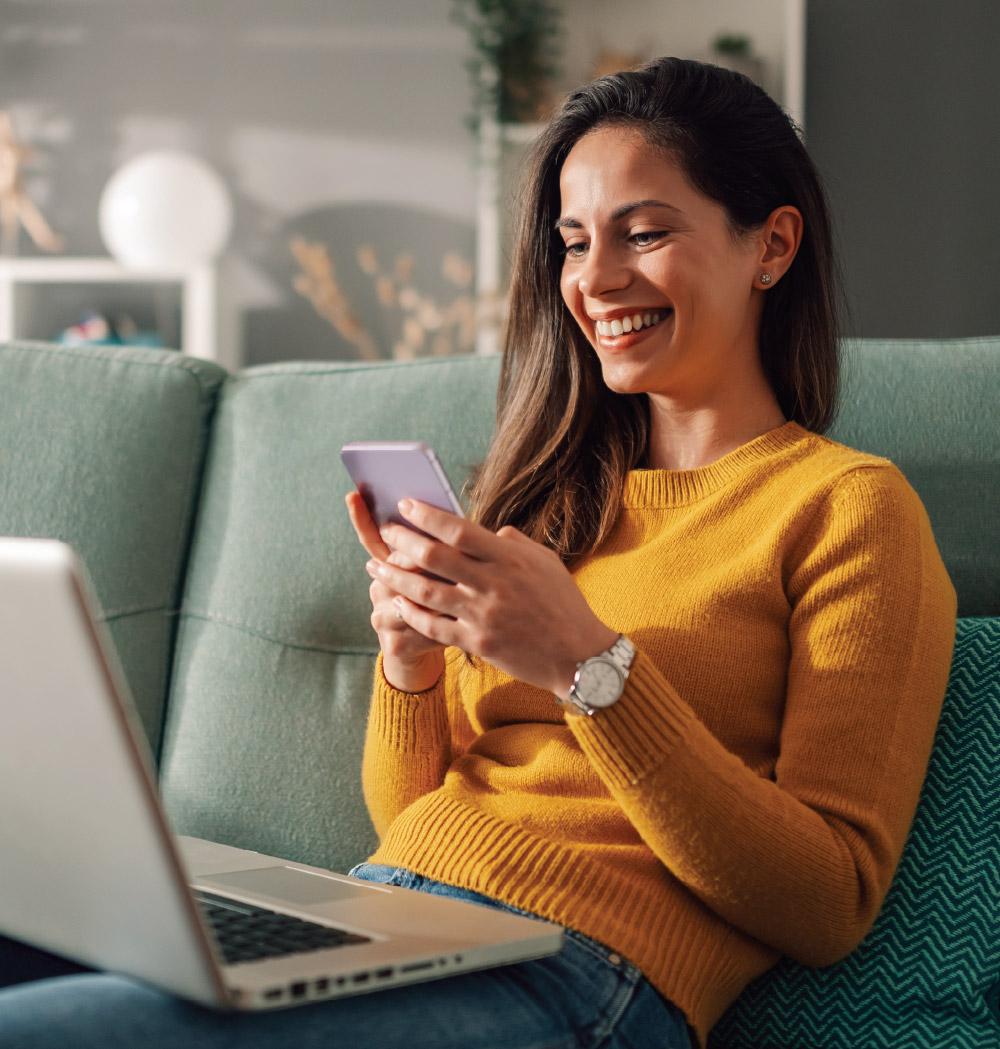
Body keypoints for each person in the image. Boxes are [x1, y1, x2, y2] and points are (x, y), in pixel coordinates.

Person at [0, 56, 956, 1049]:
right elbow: (416, 813)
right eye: (575, 242)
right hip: (393, 915)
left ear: (771, 244)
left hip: (583, 973)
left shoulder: (848, 509)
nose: (594, 279)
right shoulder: (547, 502)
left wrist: (590, 667)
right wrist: (408, 666)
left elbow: (828, 900)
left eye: (646, 232)